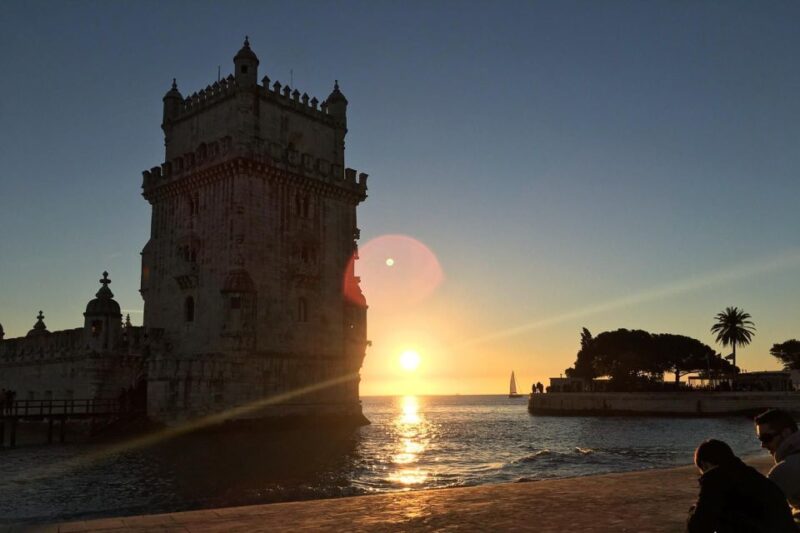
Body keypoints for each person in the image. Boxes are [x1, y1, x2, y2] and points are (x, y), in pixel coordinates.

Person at [686, 438, 795, 532]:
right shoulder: (750, 475)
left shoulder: (716, 479)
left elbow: (698, 526)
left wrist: (693, 511)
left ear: (705, 465)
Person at [755, 408, 800, 524]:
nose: (762, 445)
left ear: (786, 433)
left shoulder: (783, 470)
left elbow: (755, 507)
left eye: (766, 438)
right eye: (760, 439)